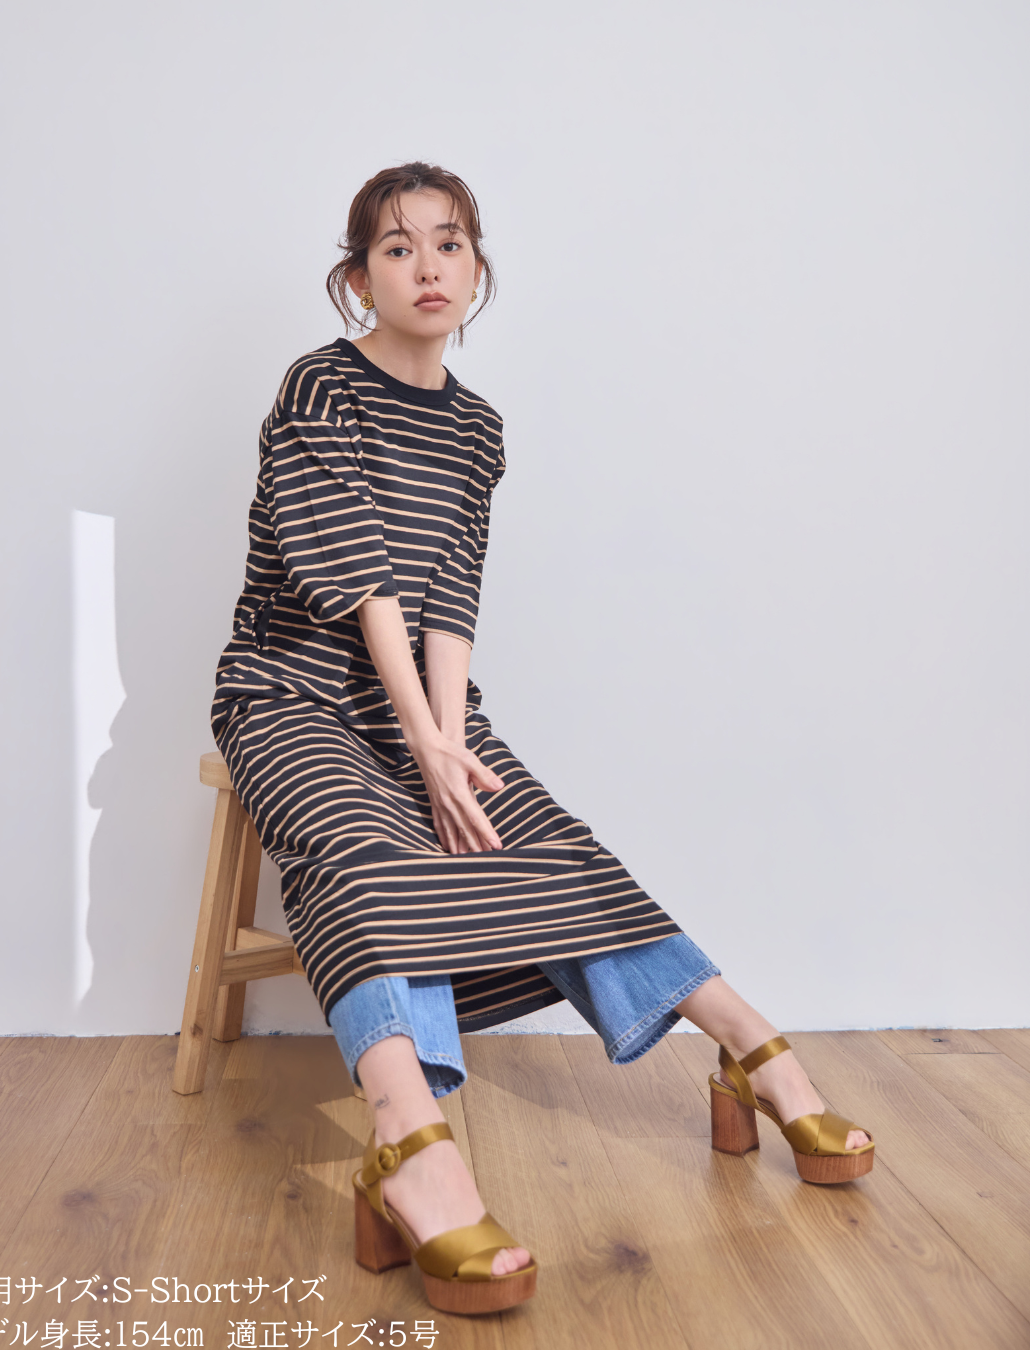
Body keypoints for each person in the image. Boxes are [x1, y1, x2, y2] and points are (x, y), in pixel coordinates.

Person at [211, 161, 873, 1316]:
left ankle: (745, 1043)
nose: (427, 267)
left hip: (422, 704)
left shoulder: (477, 429)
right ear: (358, 278)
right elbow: (363, 582)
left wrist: (450, 739)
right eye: (397, 247)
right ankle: (409, 1141)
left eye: (449, 244)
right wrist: (422, 747)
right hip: (291, 696)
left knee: (543, 839)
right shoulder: (320, 387)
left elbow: (449, 604)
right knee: (371, 854)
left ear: (478, 268)